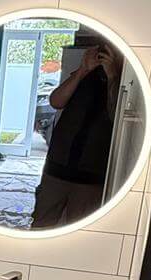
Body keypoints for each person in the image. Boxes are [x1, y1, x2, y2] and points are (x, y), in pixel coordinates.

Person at [31, 40, 122, 228]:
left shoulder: (122, 83)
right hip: (57, 168)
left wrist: (112, 76)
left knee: (79, 231)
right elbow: (56, 101)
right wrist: (82, 71)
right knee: (41, 224)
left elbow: (117, 116)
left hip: (91, 175)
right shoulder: (82, 76)